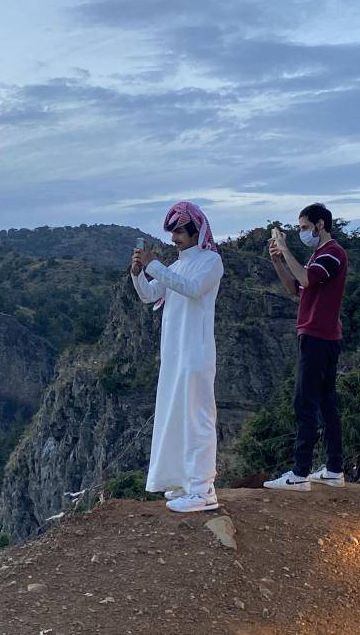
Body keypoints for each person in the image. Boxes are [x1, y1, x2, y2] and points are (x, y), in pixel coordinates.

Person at [130, 201, 224, 513]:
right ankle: (186, 482)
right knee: (178, 419)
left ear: (197, 232)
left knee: (198, 420)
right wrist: (138, 274)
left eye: (180, 231)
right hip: (174, 357)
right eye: (172, 232)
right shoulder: (176, 266)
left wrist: (153, 265)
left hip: (195, 355)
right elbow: (149, 295)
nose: (174, 238)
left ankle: (202, 490)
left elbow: (193, 289)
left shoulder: (211, 262)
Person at [264, 203, 349, 491]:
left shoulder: (332, 253)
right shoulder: (318, 256)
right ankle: (334, 469)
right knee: (326, 402)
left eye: (304, 227)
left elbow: (304, 278)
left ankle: (300, 473)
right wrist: (277, 261)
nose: (301, 232)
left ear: (320, 224)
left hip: (317, 336)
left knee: (305, 403)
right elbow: (295, 289)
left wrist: (285, 249)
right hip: (322, 336)